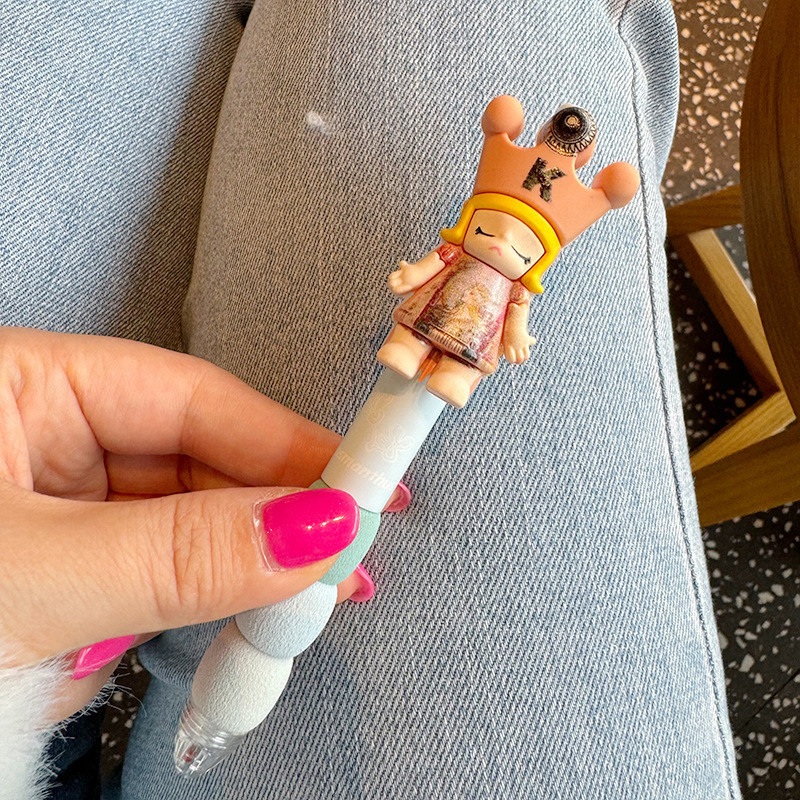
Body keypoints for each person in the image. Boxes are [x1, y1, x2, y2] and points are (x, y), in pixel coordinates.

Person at [0, 1, 742, 799]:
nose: (502, 243)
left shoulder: (509, 279)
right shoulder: (466, 250)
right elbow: (434, 272)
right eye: (494, 230)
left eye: (519, 243)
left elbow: (516, 313)